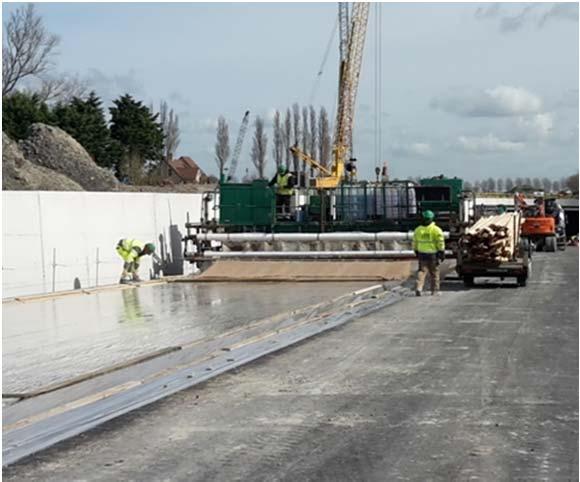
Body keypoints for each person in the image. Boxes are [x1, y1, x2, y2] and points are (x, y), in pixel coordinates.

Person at [413, 210, 445, 297]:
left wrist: (415, 250)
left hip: (421, 253)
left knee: (422, 271)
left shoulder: (418, 230)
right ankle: (434, 291)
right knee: (434, 273)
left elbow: (415, 242)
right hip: (432, 254)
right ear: (432, 219)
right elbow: (440, 242)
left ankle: (419, 288)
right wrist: (441, 252)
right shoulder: (436, 230)